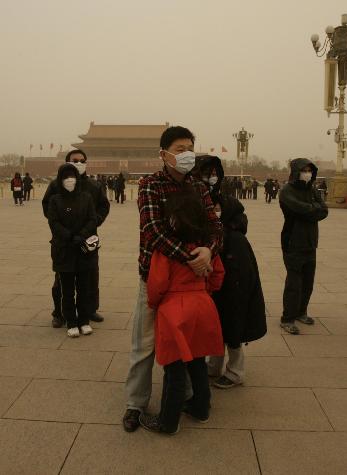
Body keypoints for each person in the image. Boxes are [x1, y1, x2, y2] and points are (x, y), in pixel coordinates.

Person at [122, 126, 222, 432]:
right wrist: (193, 258)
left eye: (190, 148)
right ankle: (135, 404)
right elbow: (152, 231)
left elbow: (215, 227)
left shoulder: (200, 187)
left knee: (188, 343)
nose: (187, 154)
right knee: (145, 344)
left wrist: (209, 249)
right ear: (164, 154)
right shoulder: (150, 185)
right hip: (155, 278)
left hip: (191, 283)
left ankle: (187, 397)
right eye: (180, 149)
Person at [139, 191, 224, 434]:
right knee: (198, 362)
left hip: (174, 309)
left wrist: (156, 305)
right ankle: (200, 408)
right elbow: (218, 275)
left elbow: (156, 285)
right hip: (203, 305)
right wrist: (205, 289)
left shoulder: (167, 250)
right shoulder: (206, 248)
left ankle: (167, 421)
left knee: (174, 369)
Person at [42, 149, 110, 328]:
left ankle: (89, 310)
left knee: (90, 276)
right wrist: (63, 229)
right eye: (75, 160)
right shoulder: (57, 185)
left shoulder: (94, 186)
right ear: (67, 162)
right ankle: (59, 313)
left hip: (88, 238)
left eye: (82, 160)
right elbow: (46, 206)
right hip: (64, 240)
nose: (79, 163)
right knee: (62, 279)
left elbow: (104, 206)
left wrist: (95, 222)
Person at [208, 196, 267, 387]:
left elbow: (243, 273)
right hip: (219, 291)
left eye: (218, 209)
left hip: (234, 294)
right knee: (217, 331)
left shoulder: (235, 237)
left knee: (233, 334)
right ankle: (214, 366)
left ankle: (235, 372)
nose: (215, 212)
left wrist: (238, 296)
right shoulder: (218, 233)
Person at [279, 158, 328, 334]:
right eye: (304, 170)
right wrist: (312, 209)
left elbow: (324, 210)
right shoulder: (286, 191)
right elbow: (297, 208)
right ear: (296, 171)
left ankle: (301, 312)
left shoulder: (313, 189)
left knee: (308, 282)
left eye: (309, 170)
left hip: (310, 242)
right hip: (293, 242)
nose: (307, 173)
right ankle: (287, 318)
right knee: (294, 283)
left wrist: (310, 210)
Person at [47, 163, 97, 337]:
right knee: (67, 290)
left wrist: (81, 235)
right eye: (65, 176)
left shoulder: (86, 197)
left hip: (83, 249)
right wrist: (69, 236)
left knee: (84, 288)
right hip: (64, 250)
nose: (69, 179)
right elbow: (53, 222)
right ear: (60, 180)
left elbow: (92, 219)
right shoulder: (55, 200)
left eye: (72, 176)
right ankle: (71, 321)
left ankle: (84, 321)